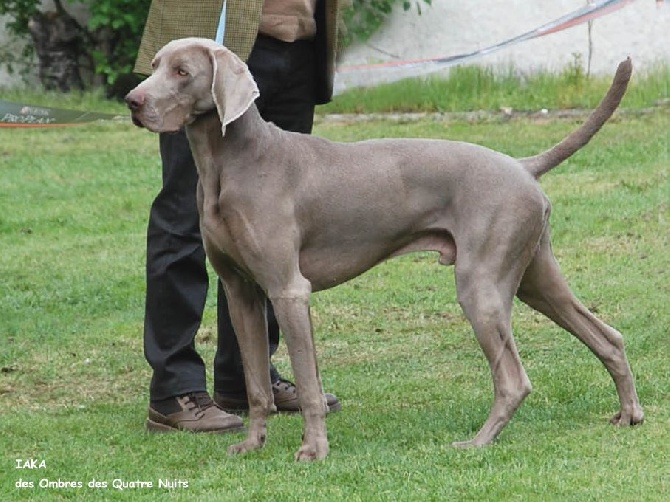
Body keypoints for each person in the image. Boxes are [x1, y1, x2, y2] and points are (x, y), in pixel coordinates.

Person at [133, 0, 342, 433]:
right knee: (184, 217)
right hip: (212, 42)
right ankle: (175, 389)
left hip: (299, 41)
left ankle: (245, 378)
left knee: (271, 224)